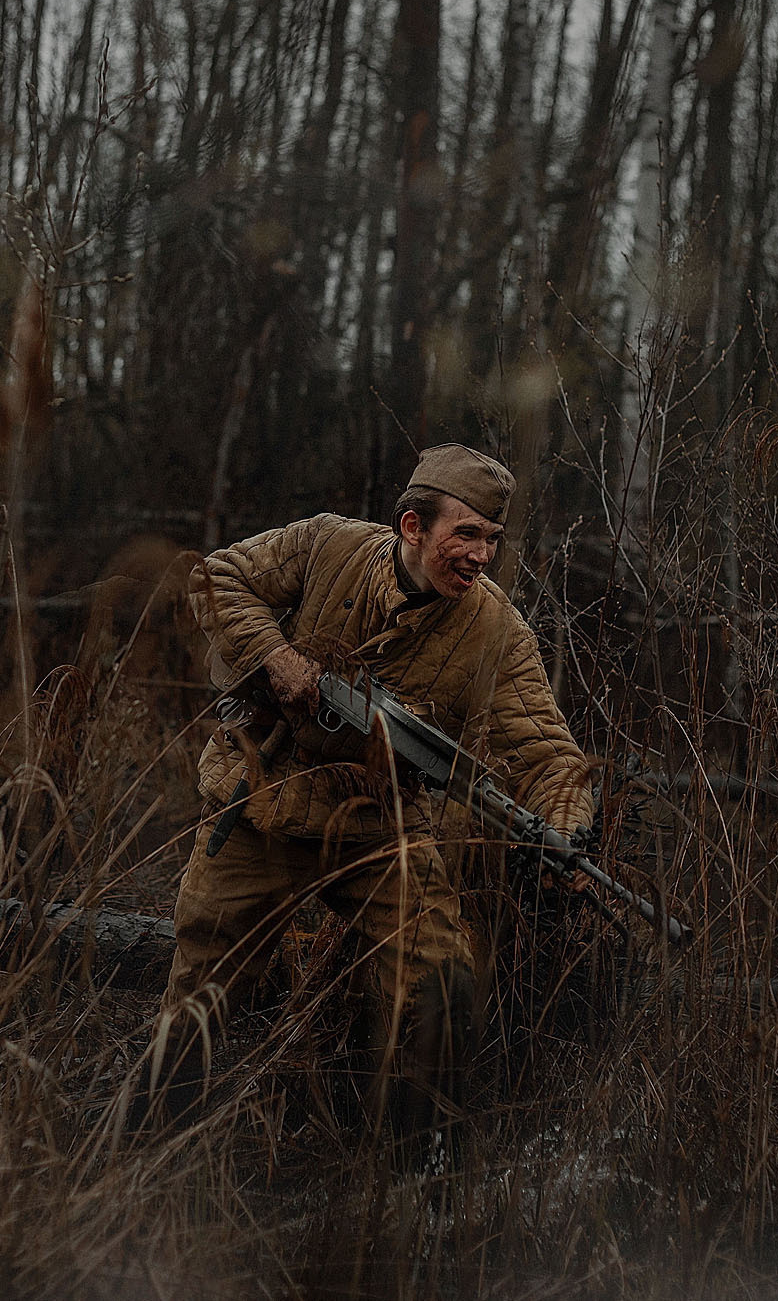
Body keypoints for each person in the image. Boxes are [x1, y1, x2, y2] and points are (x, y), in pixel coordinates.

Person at [136, 444, 594, 1143]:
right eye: (464, 533)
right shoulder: (330, 544)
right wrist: (276, 655)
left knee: (445, 986)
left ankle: (409, 1173)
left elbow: (545, 750)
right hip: (262, 805)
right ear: (413, 527)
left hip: (379, 827)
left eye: (492, 540)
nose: (480, 556)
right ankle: (146, 1154)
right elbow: (216, 577)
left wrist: (567, 827)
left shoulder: (493, 625)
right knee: (198, 998)